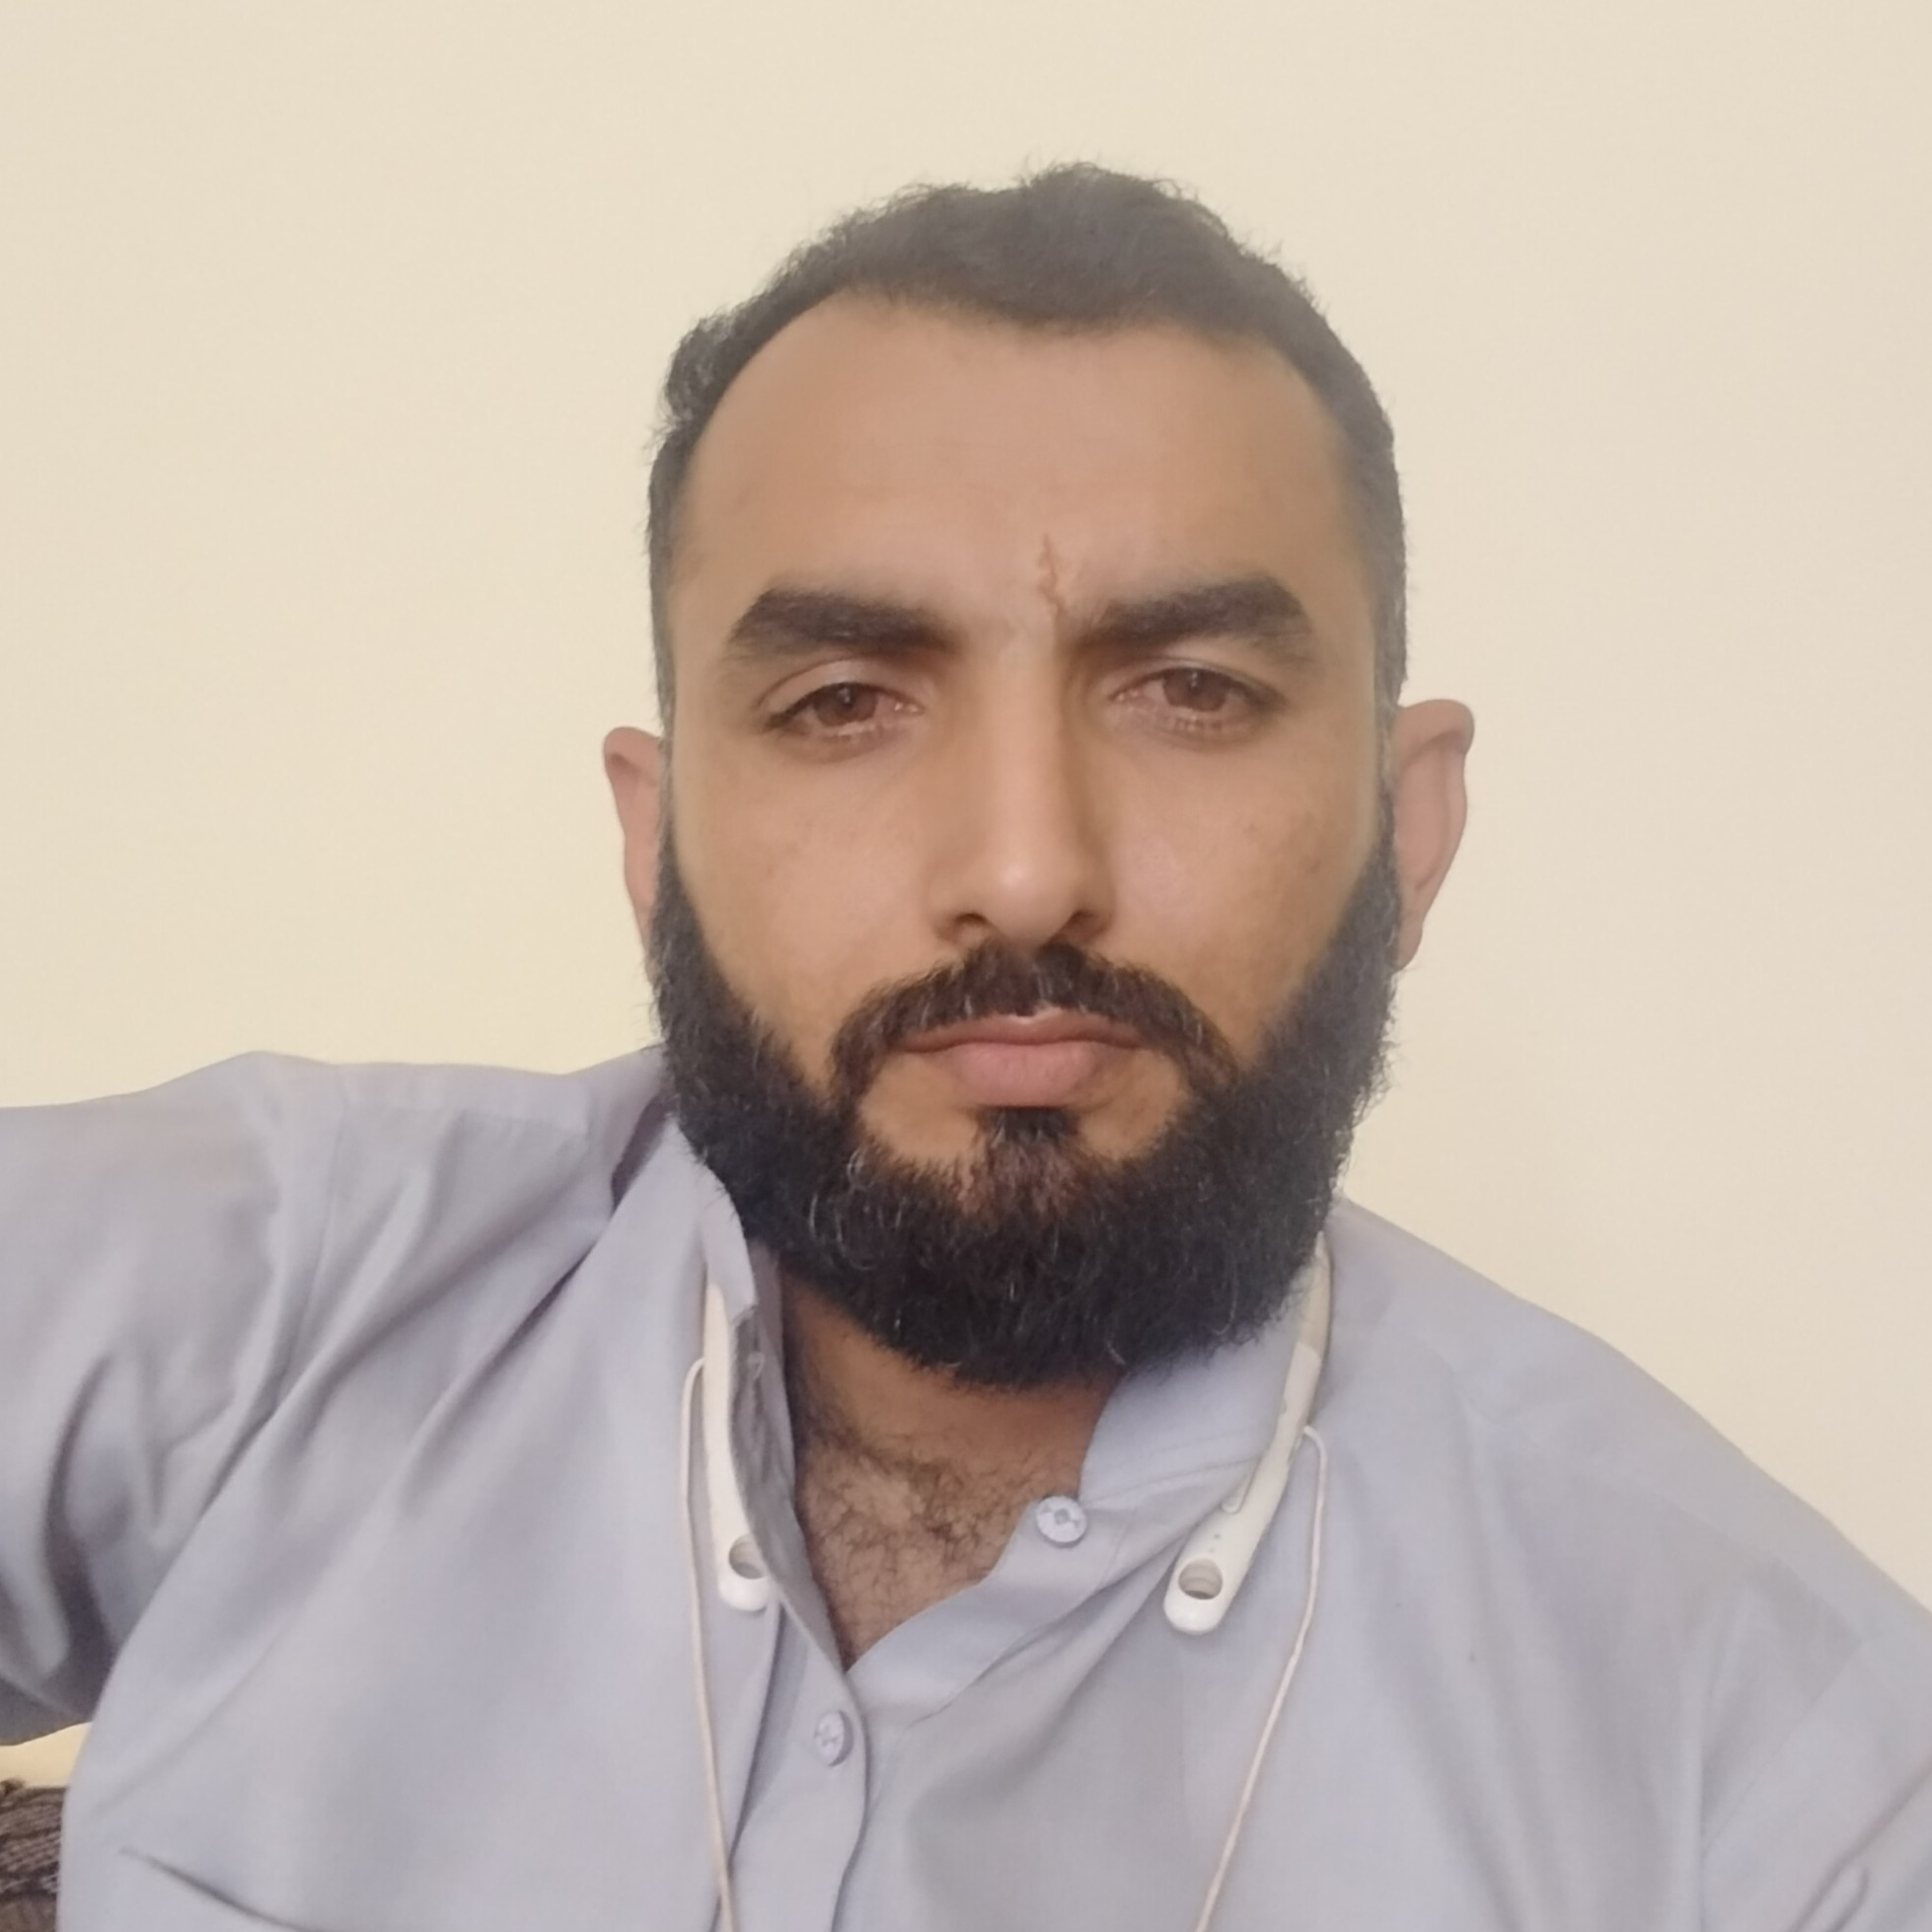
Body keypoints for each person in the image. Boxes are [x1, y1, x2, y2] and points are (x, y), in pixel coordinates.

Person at [2, 165, 1928, 1932]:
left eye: (1192, 690)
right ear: (655, 848)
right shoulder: (273, 1294)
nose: (1022, 871)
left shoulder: (1777, 1770)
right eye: (844, 699)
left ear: (1405, 829)